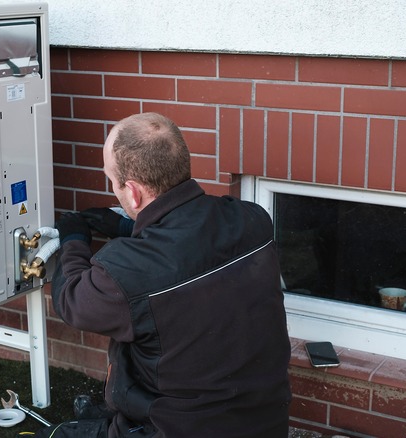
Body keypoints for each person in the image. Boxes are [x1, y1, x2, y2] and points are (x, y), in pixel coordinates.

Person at [50, 112, 292, 437]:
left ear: (132, 193)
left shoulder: (126, 273)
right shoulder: (253, 220)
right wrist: (129, 225)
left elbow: (73, 299)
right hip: (264, 423)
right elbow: (188, 246)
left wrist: (73, 238)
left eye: (112, 179)